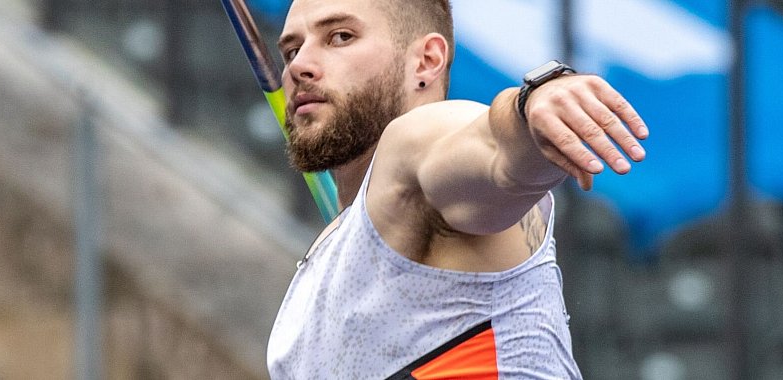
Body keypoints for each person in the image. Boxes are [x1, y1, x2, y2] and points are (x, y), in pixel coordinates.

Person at [265, 0, 648, 378]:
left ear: (427, 61)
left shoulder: (416, 144)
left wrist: (531, 105)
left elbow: (498, 153)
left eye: (340, 37)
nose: (299, 65)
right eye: (292, 50)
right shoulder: (334, 249)